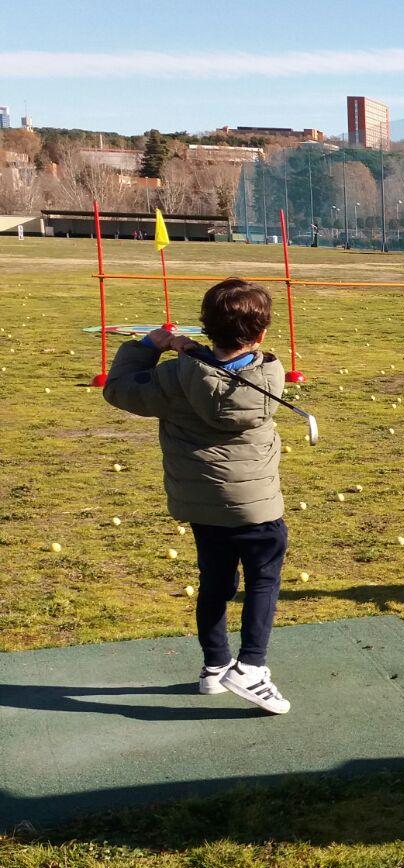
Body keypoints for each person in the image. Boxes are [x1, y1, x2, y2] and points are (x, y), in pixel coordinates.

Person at [102, 278, 292, 715]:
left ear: (206, 327)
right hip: (257, 505)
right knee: (262, 579)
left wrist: (154, 345)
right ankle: (251, 668)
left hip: (202, 507)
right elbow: (231, 376)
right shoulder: (269, 372)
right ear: (261, 333)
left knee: (216, 581)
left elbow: (119, 388)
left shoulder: (174, 376)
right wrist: (198, 354)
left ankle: (214, 666)